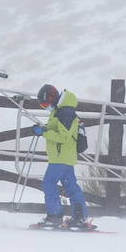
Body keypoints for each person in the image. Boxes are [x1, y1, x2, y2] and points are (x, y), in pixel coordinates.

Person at [32, 83, 89, 229]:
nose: (45, 107)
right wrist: (44, 128)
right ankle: (80, 217)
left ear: (51, 98)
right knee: (71, 186)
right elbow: (61, 131)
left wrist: (43, 132)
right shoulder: (62, 110)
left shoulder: (65, 112)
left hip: (61, 157)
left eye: (45, 103)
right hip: (64, 156)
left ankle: (55, 216)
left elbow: (63, 137)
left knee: (48, 183)